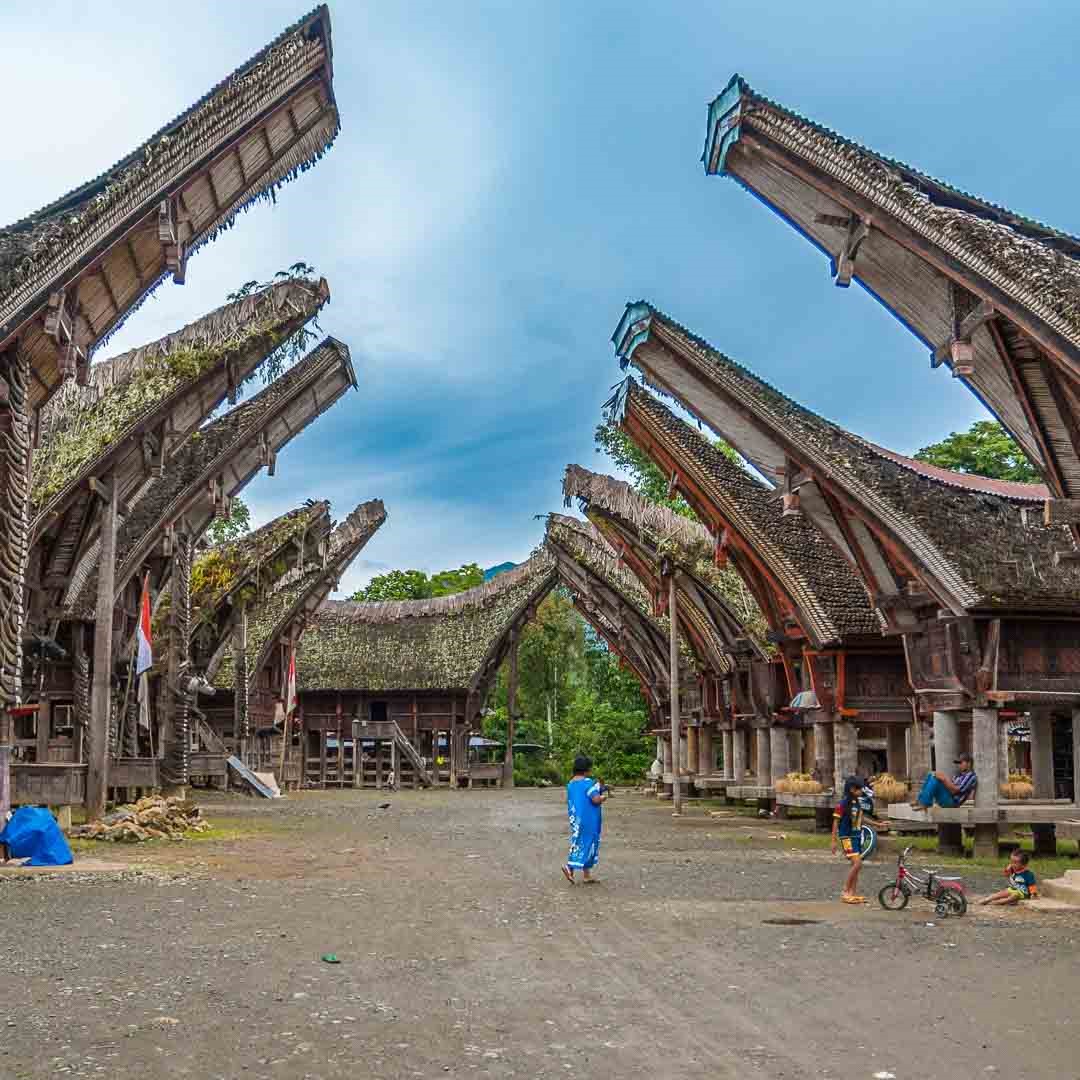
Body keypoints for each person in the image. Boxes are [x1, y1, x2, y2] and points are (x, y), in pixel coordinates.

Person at [562, 754, 608, 885]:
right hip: (590, 821)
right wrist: (603, 797)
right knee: (588, 844)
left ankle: (587, 875)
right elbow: (595, 799)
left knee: (580, 842)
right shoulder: (589, 784)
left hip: (576, 820)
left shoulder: (570, 784)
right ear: (587, 770)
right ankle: (569, 867)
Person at [831, 776, 867, 904]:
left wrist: (879, 824)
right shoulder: (842, 804)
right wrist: (834, 841)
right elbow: (835, 822)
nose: (862, 791)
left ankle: (853, 893)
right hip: (847, 838)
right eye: (859, 789)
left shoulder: (857, 802)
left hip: (856, 837)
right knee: (857, 864)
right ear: (852, 789)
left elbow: (861, 819)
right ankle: (845, 891)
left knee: (855, 865)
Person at [911, 752, 978, 809]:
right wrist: (942, 779)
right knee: (931, 775)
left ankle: (924, 803)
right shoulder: (958, 776)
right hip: (947, 797)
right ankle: (920, 800)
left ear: (969, 763)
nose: (959, 765)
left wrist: (944, 779)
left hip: (953, 802)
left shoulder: (971, 776)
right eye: (958, 763)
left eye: (961, 762)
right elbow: (949, 788)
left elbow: (955, 791)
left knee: (936, 779)